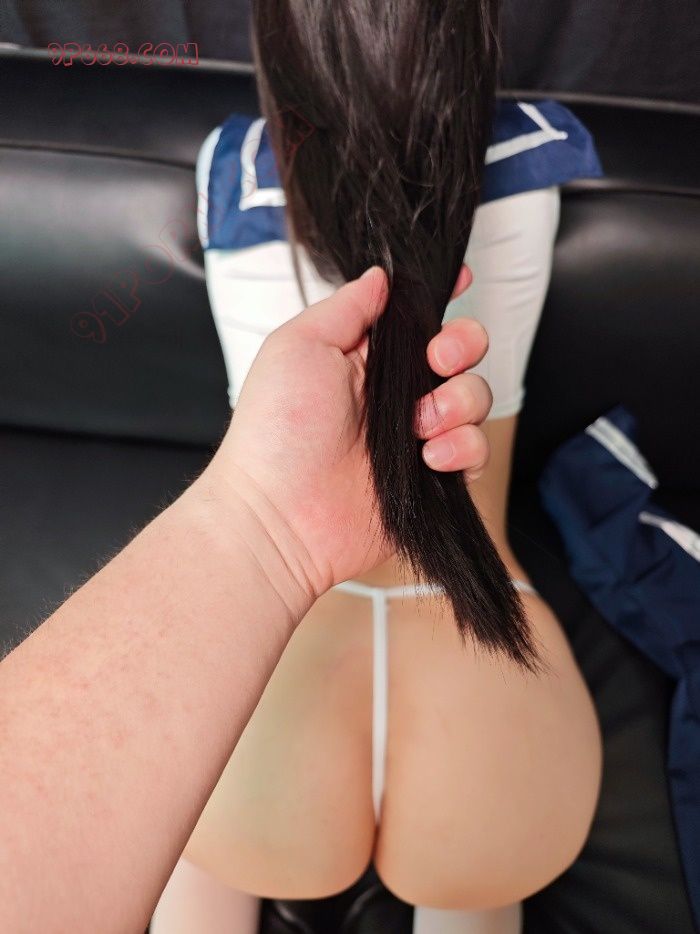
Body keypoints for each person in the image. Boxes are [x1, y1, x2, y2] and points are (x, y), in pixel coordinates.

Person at [152, 4, 604, 932]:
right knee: (476, 878)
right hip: (484, 687)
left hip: (273, 697)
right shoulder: (532, 152)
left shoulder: (236, 170)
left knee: (200, 865)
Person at [0, 268, 493, 933]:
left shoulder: (242, 210)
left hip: (260, 760)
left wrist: (263, 517)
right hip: (480, 719)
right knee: (479, 870)